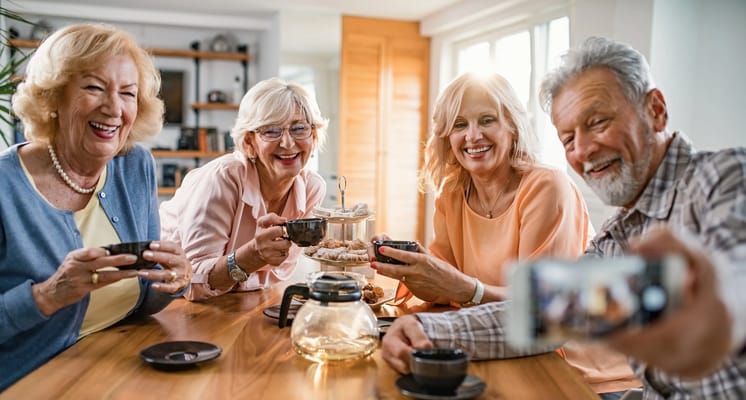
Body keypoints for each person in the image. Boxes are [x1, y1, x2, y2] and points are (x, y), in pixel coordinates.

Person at [381, 37, 746, 399]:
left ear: (655, 109)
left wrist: (705, 301)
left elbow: (733, 281)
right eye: (568, 138)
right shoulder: (619, 235)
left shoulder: (724, 178)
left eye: (598, 121)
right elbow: (541, 314)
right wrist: (424, 327)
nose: (583, 150)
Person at [372, 72, 639, 397]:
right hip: (498, 349)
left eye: (487, 120)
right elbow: (442, 290)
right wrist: (412, 268)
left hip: (578, 367)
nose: (472, 136)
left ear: (512, 127)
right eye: (459, 125)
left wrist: (466, 289)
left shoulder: (545, 187)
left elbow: (544, 312)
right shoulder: (453, 194)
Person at [0, 23, 192, 391]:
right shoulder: (6, 185)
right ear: (53, 97)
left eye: (128, 93)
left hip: (117, 364)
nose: (114, 108)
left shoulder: (134, 165)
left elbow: (142, 298)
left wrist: (172, 281)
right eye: (93, 87)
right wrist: (48, 294)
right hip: (27, 379)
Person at [159, 77, 328, 301]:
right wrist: (250, 257)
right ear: (249, 142)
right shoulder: (223, 179)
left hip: (240, 300)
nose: (287, 143)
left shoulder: (311, 189)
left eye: (299, 129)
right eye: (271, 131)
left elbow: (275, 273)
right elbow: (191, 283)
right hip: (164, 299)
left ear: (313, 136)